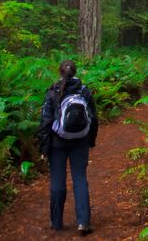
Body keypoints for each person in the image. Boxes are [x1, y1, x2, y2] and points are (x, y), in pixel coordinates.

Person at [38, 60, 98, 235]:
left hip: (57, 142)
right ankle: (83, 222)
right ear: (75, 72)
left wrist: (44, 147)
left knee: (57, 180)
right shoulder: (84, 91)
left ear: (60, 72)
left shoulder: (53, 91)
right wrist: (91, 140)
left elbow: (45, 121)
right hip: (81, 141)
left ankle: (56, 222)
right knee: (80, 179)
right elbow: (93, 118)